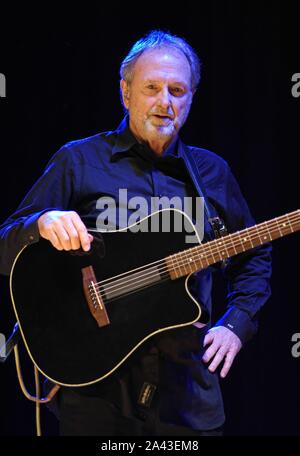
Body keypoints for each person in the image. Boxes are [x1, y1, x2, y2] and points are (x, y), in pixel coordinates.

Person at [0, 30, 272, 436]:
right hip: (95, 390)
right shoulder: (79, 160)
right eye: (152, 88)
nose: (165, 102)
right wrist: (39, 225)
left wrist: (238, 323)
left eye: (178, 90)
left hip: (187, 396)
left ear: (191, 98)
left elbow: (254, 253)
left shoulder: (212, 172)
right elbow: (6, 245)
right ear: (126, 93)